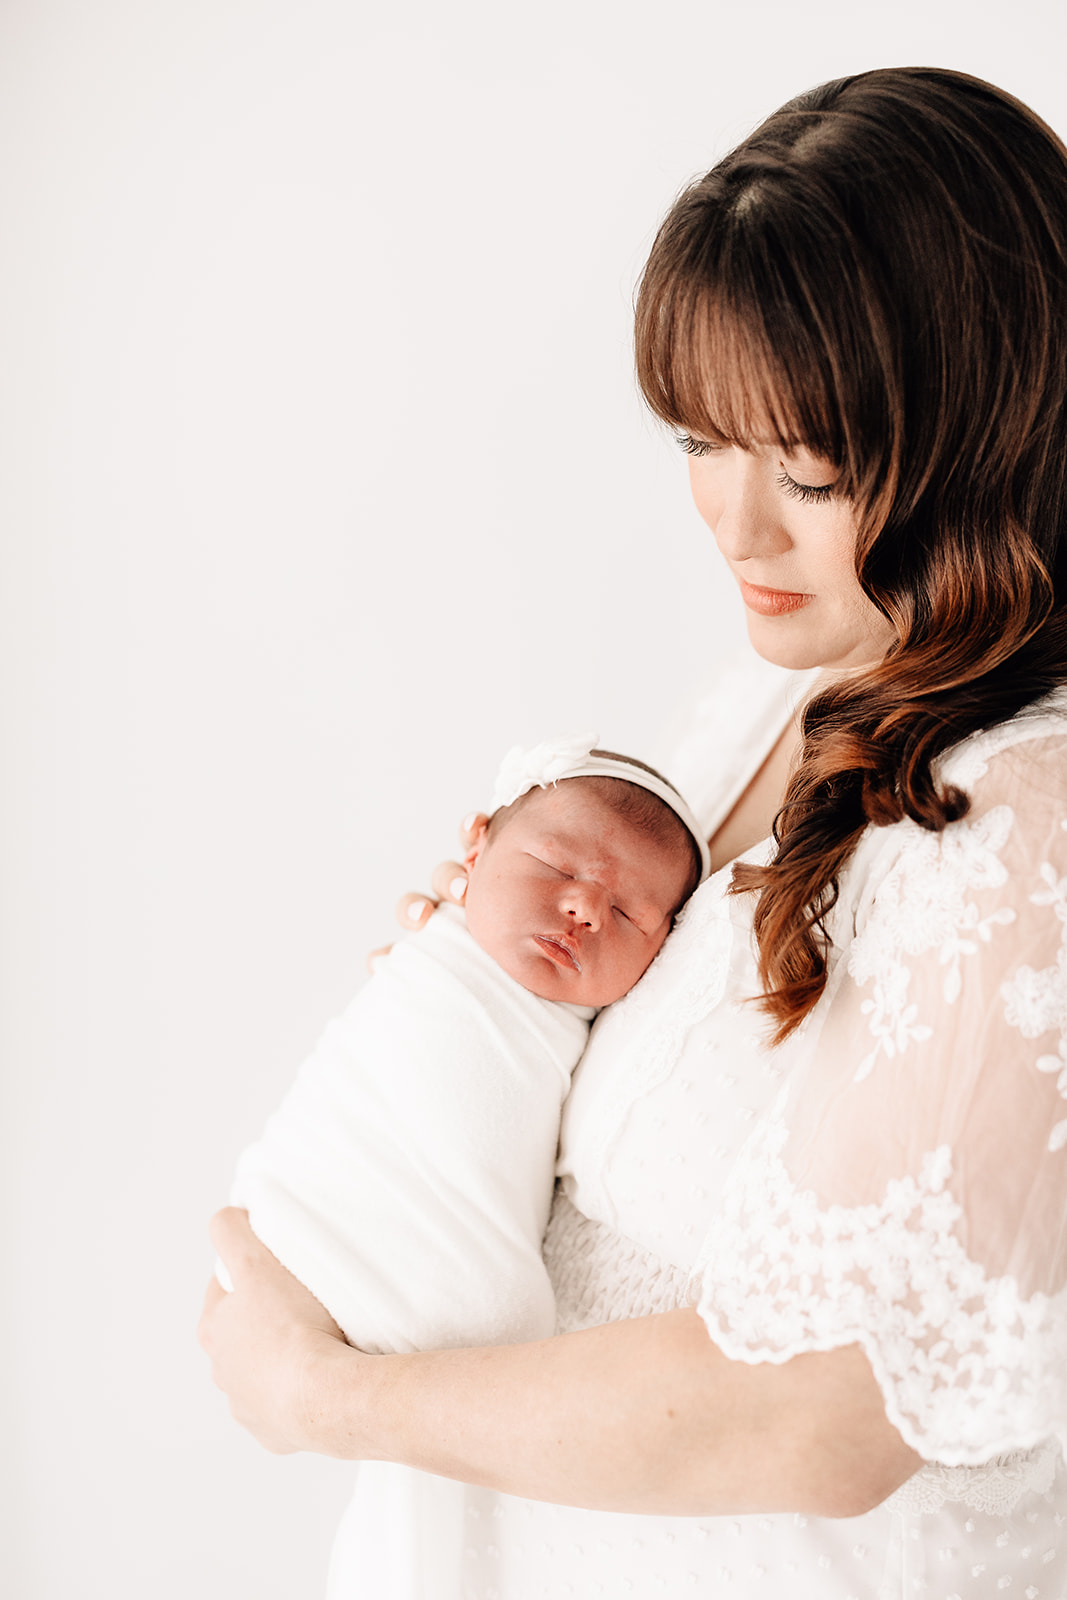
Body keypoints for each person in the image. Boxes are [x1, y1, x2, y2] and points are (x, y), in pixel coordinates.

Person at [199, 65, 1067, 1600]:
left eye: (805, 470)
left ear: (988, 436)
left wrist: (327, 1396)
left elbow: (827, 1412)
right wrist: (493, 989)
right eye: (696, 441)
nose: (732, 530)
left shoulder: (1024, 826)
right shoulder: (771, 696)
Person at [223, 739, 706, 1358]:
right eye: (555, 867)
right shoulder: (436, 944)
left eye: (629, 914)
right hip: (306, 1207)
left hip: (451, 1297)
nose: (585, 908)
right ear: (474, 849)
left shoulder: (603, 1020)